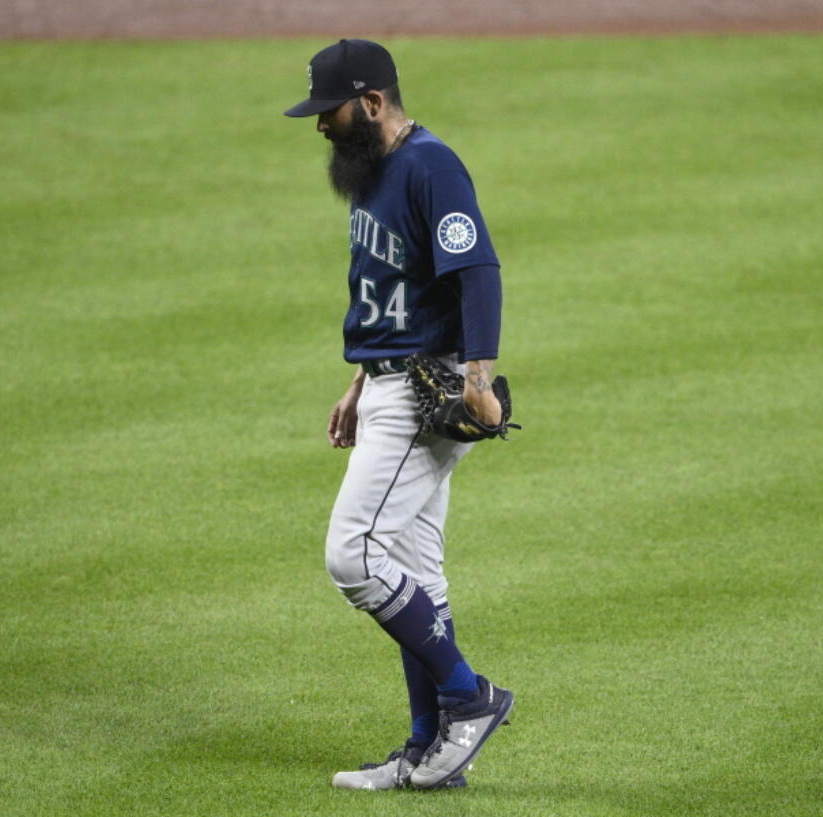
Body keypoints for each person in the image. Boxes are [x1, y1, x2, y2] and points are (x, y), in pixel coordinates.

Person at [283, 39, 515, 791]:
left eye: (333, 109)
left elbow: (476, 268)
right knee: (415, 569)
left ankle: (466, 694)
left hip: (426, 393)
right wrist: (358, 380)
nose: (322, 124)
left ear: (374, 102)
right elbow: (386, 289)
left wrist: (478, 375)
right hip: (386, 382)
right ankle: (426, 750)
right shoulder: (372, 172)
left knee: (352, 555)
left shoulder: (430, 165)